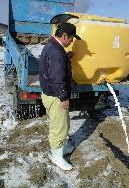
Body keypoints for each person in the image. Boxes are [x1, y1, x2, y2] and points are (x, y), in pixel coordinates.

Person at [39, 22, 81, 171]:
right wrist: (64, 98)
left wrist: (65, 56)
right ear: (64, 36)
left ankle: (58, 150)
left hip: (49, 94)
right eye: (71, 39)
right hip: (56, 97)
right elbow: (57, 78)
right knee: (60, 128)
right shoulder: (57, 52)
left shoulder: (53, 47)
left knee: (60, 124)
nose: (72, 42)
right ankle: (56, 157)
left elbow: (54, 64)